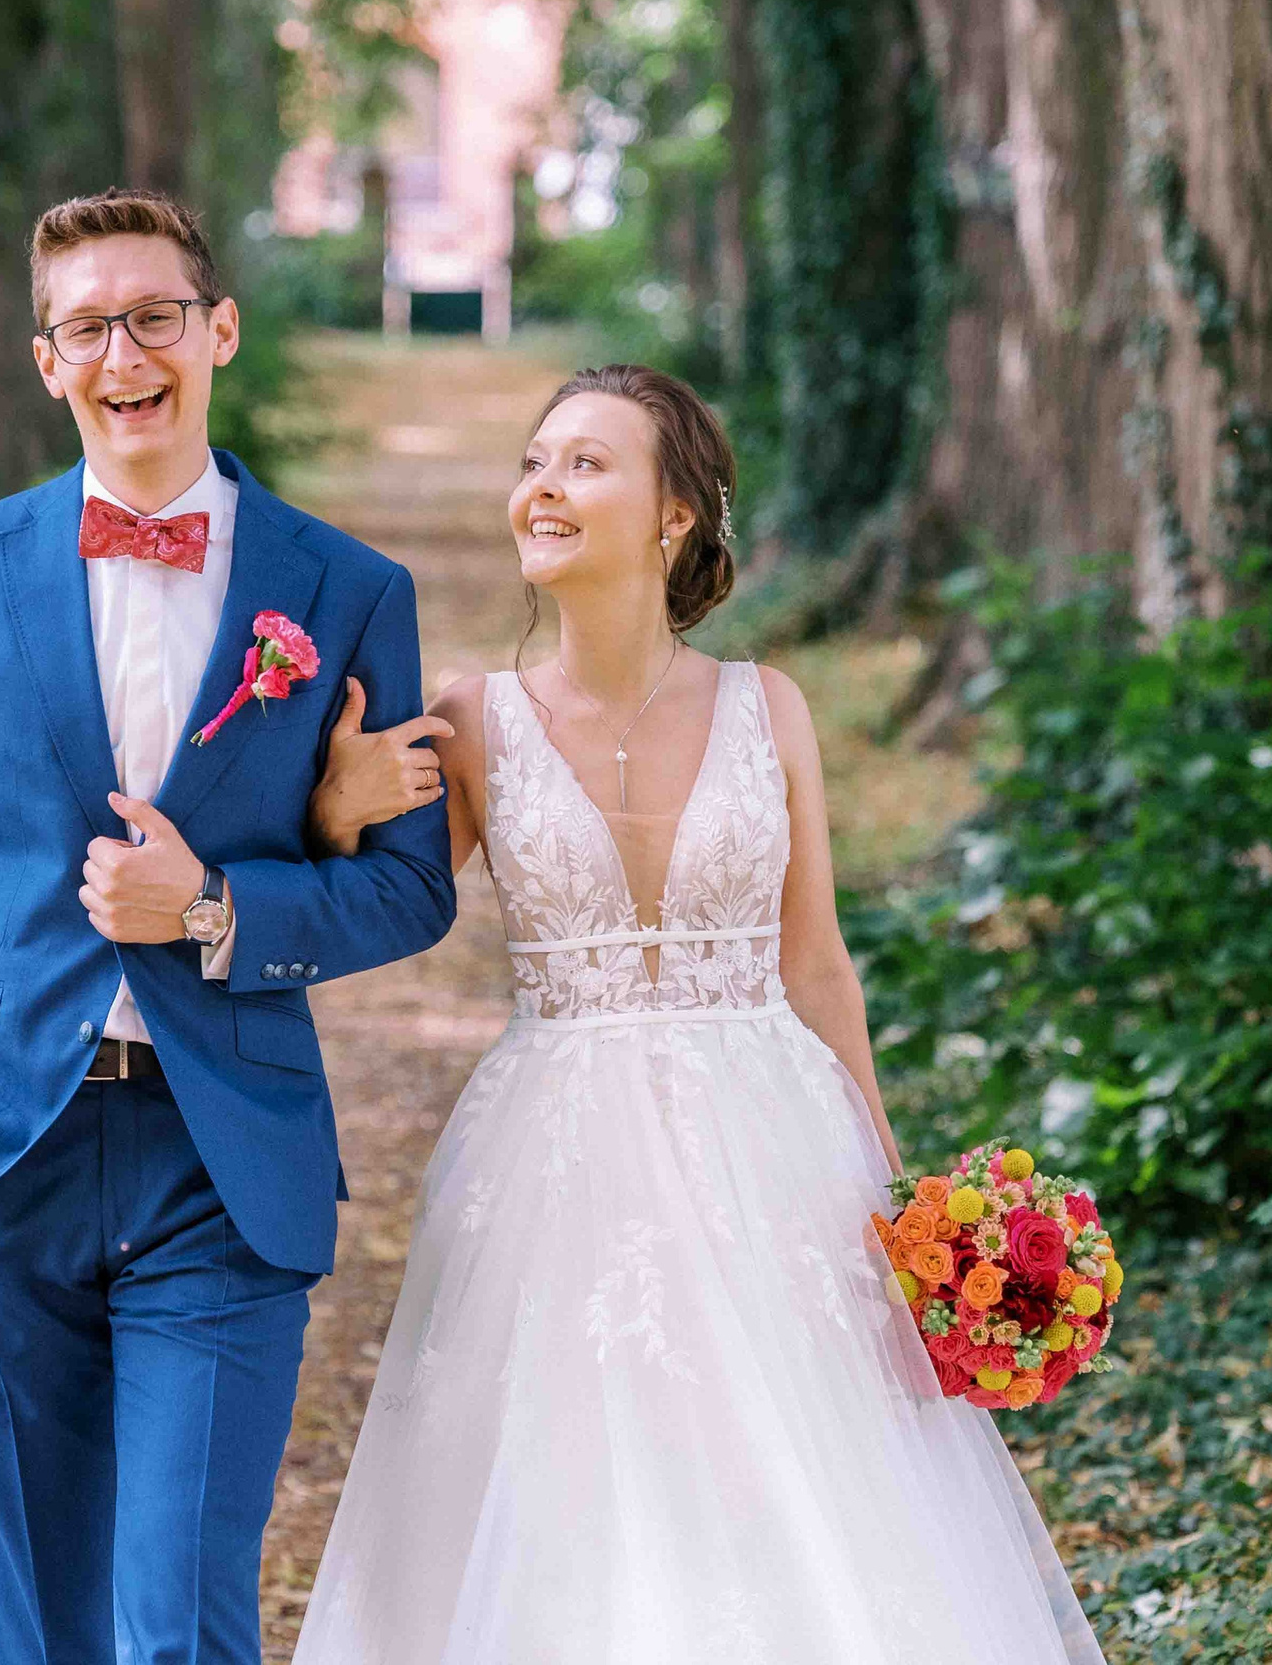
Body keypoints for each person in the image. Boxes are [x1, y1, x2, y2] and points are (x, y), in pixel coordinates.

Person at [291, 365, 1106, 1664]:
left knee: (792, 1479)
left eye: (585, 463)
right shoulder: (473, 719)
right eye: (535, 461)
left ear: (674, 515)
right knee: (577, 1488)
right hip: (558, 1161)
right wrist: (337, 813)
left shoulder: (767, 706)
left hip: (772, 1147)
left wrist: (902, 1197)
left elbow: (817, 963)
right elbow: (384, 909)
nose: (543, 487)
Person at [0, 188, 455, 1665]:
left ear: (217, 330)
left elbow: (410, 885)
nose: (127, 354)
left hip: (219, 1151)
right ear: (48, 360)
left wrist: (218, 907)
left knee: (180, 1623)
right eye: (89, 327)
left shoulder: (349, 591)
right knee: (47, 1625)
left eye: (155, 316)